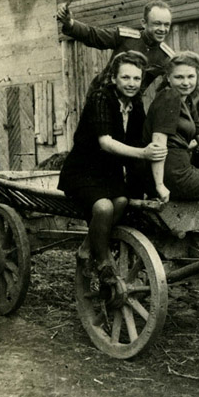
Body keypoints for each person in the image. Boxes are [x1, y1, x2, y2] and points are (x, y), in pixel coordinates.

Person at [57, 51, 166, 293]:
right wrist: (144, 154)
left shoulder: (135, 104)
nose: (131, 83)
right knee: (104, 207)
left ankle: (86, 249)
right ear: (114, 78)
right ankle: (104, 263)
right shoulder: (101, 99)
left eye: (136, 79)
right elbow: (105, 143)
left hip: (110, 172)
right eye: (125, 77)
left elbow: (138, 141)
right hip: (83, 169)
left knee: (122, 201)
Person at [143, 51, 199, 202]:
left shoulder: (186, 101)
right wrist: (160, 185)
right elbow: (158, 143)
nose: (186, 82)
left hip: (179, 170)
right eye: (179, 77)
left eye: (191, 77)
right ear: (168, 77)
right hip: (174, 176)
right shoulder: (169, 97)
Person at [57, 0, 175, 100]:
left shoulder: (167, 57)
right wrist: (70, 23)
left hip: (130, 105)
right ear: (144, 23)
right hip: (101, 97)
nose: (162, 29)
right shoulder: (125, 36)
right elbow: (93, 35)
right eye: (157, 24)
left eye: (166, 25)